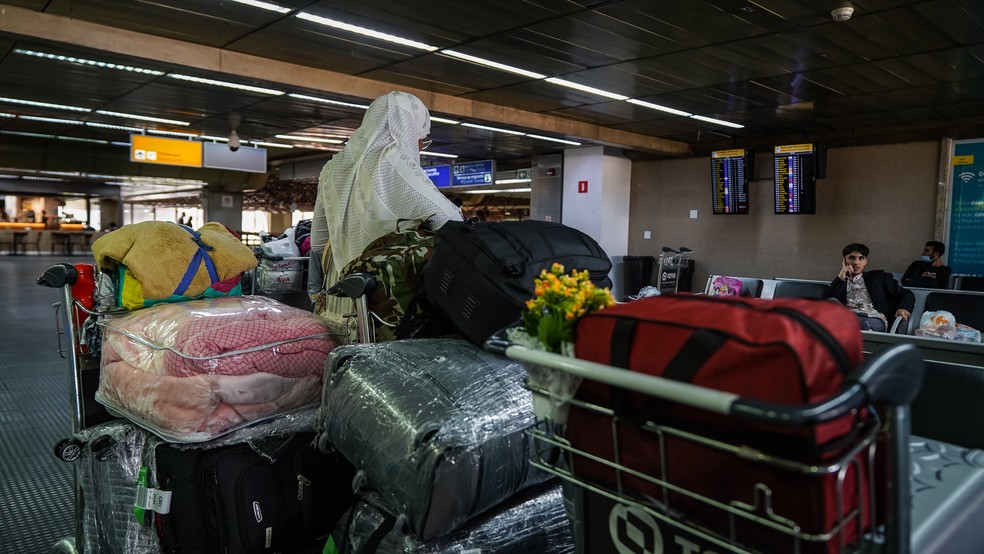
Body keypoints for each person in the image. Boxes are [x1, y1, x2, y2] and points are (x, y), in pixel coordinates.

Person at [308, 91, 463, 325]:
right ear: (410, 130)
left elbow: (319, 243)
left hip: (340, 292)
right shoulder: (395, 163)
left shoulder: (332, 169)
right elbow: (452, 222)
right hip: (387, 296)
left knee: (342, 358)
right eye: (422, 138)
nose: (420, 147)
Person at [828, 243, 914, 332]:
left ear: (866, 261)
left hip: (872, 318)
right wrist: (842, 274)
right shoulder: (841, 281)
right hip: (846, 317)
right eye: (851, 258)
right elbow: (828, 300)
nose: (856, 262)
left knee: (862, 323)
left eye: (861, 258)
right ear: (844, 261)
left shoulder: (878, 277)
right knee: (831, 302)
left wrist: (903, 308)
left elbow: (906, 293)